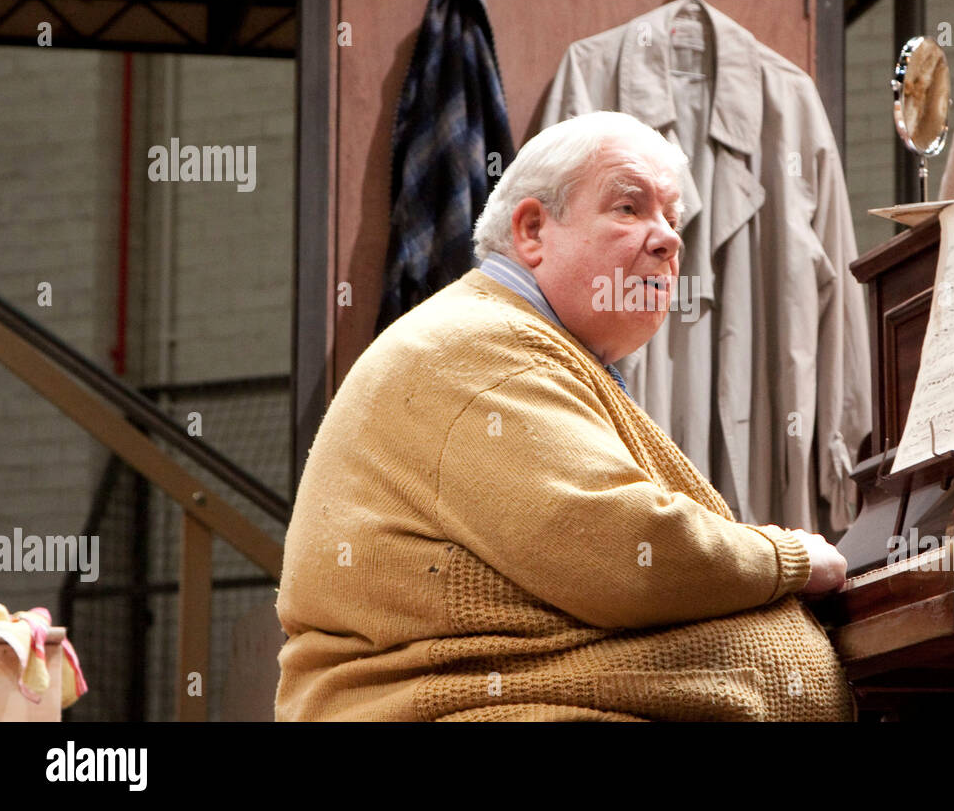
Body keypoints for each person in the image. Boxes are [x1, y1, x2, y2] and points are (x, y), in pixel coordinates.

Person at [275, 111, 855, 721]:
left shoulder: (514, 338)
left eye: (672, 217)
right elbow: (624, 553)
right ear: (532, 230)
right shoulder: (482, 345)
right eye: (629, 208)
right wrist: (787, 558)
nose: (668, 239)